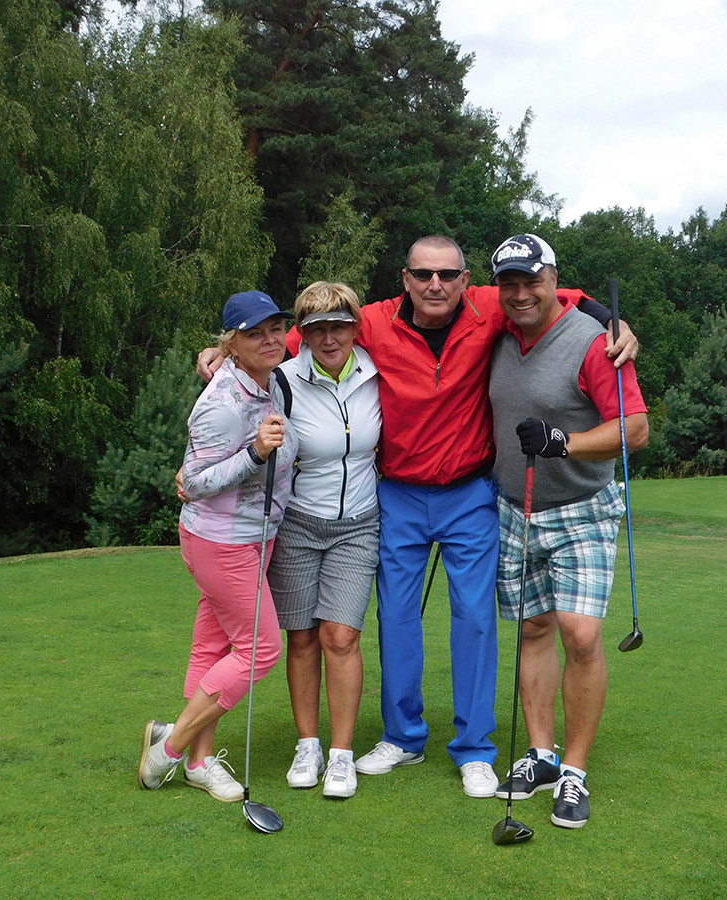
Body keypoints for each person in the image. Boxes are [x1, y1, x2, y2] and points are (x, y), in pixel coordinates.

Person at [199, 236, 639, 798]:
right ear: (405, 279)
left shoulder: (488, 307)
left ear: (465, 279)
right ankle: (403, 736)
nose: (436, 284)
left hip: (469, 492)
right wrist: (227, 353)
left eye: (447, 275)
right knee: (397, 618)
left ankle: (474, 748)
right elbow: (306, 334)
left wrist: (610, 320)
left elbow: (556, 295)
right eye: (423, 274)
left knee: (475, 619)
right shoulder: (372, 322)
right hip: (399, 495)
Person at [487, 233, 649, 829]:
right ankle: (540, 755)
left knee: (580, 636)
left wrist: (563, 442)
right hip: (515, 507)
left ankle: (574, 771)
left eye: (532, 281)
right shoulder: (498, 330)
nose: (521, 294)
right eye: (509, 283)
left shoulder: (591, 342)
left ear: (553, 279)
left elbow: (635, 429)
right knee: (533, 630)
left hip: (582, 506)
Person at [138, 290, 299, 800]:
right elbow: (194, 481)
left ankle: (199, 762)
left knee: (213, 648)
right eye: (255, 333)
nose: (270, 339)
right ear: (232, 343)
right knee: (260, 649)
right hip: (221, 540)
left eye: (276, 328)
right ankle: (171, 746)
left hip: (254, 536)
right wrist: (254, 453)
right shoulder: (222, 404)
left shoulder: (270, 378)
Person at [267, 282, 382, 800]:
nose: (329, 338)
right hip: (297, 522)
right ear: (303, 333)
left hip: (358, 523)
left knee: (341, 636)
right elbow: (234, 409)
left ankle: (340, 754)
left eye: (338, 326)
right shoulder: (282, 379)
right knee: (302, 637)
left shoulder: (376, 373)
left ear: (355, 328)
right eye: (316, 329)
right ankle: (307, 744)